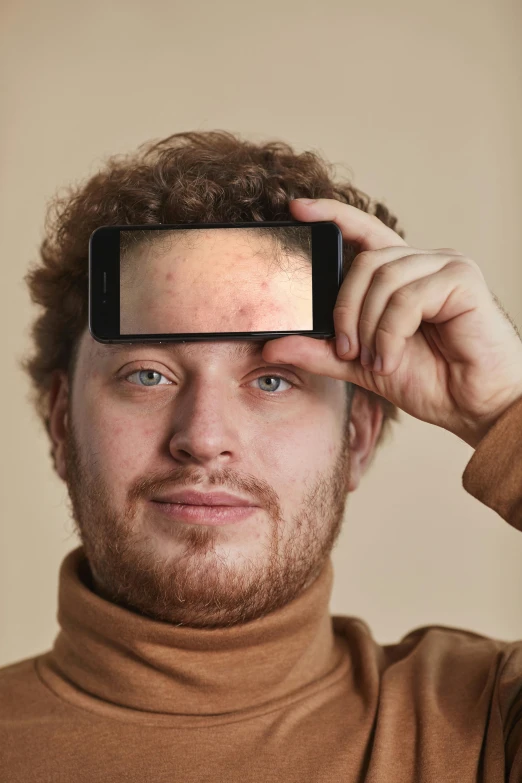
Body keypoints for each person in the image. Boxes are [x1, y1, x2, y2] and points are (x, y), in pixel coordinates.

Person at [1, 130, 522, 782]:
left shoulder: (489, 725)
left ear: (357, 435)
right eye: (147, 374)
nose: (204, 435)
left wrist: (505, 411)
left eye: (273, 379)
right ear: (59, 422)